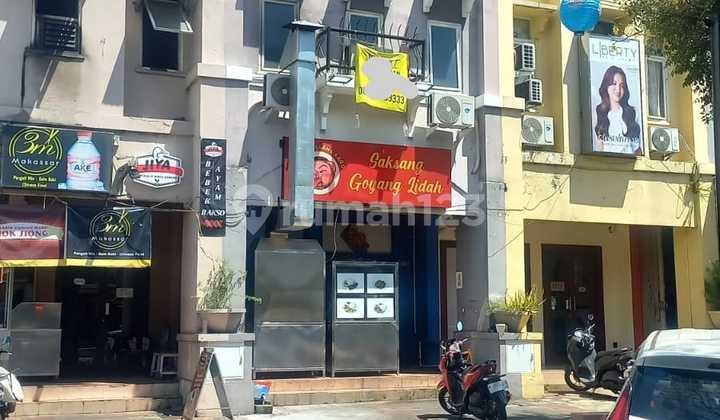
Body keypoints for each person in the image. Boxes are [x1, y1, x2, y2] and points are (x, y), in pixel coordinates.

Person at [594, 65, 642, 155]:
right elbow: (599, 147)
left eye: (622, 85)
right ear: (606, 86)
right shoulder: (598, 113)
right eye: (614, 83)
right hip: (607, 162)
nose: (618, 90)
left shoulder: (633, 112)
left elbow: (637, 148)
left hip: (629, 161)